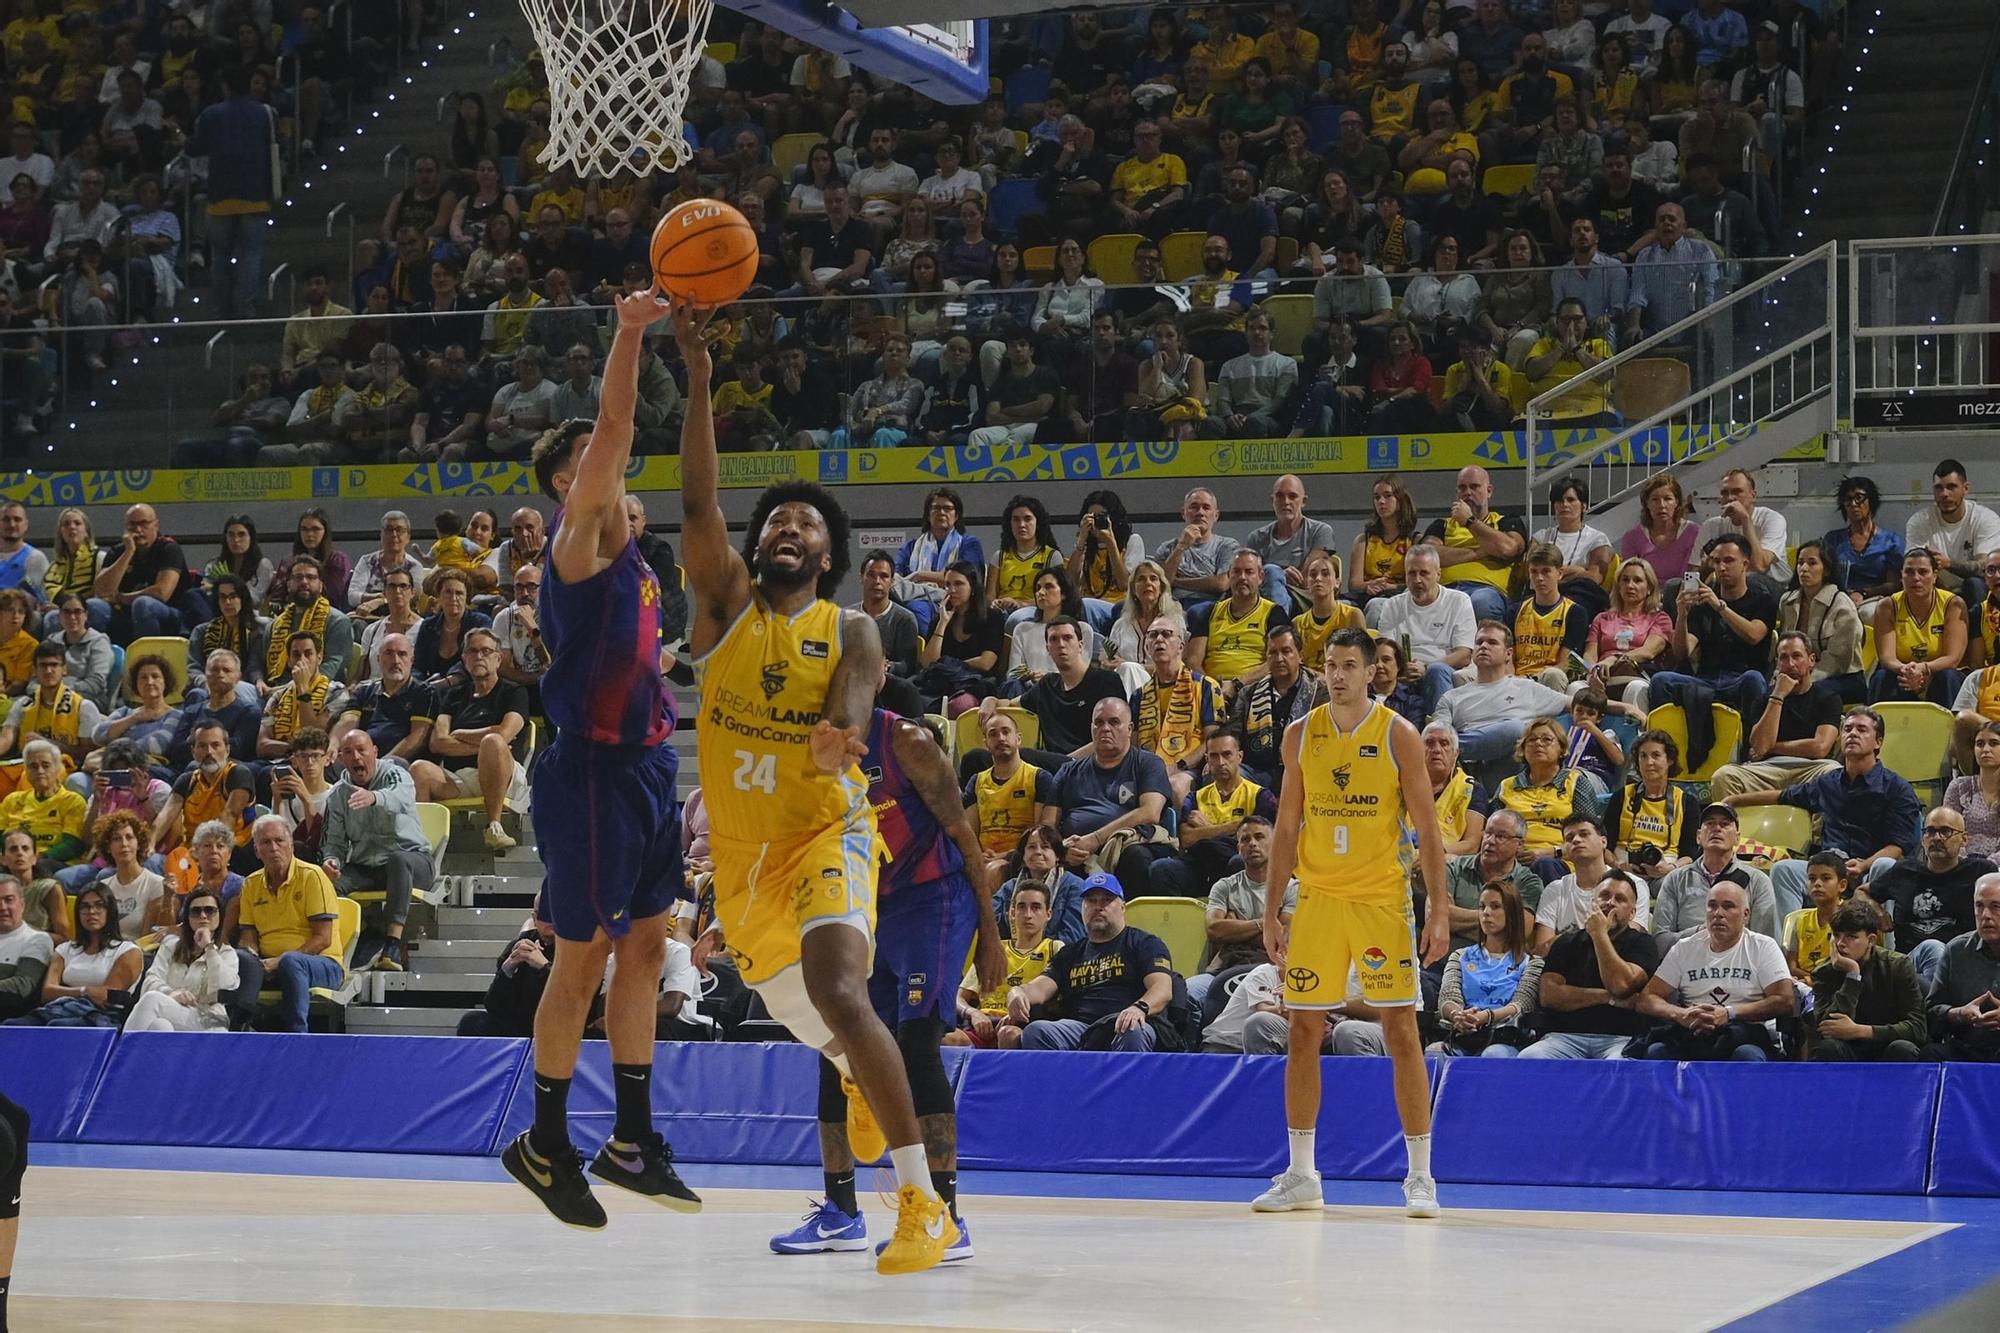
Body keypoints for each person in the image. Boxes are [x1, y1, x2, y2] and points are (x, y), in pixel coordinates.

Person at [676, 291, 956, 1273]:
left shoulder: (852, 627)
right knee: (821, 1031)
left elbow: (856, 698)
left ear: (829, 553)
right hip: (742, 867)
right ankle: (853, 1080)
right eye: (775, 520)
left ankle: (920, 1205)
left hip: (827, 833)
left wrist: (841, 736)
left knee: (842, 987)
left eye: (805, 522)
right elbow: (698, 505)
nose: (787, 527)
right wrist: (699, 374)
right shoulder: (721, 613)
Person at [498, 288, 700, 1231]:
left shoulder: (638, 560)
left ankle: (630, 1139)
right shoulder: (577, 541)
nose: (612, 463)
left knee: (648, 949)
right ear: (567, 483)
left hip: (650, 767)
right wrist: (629, 332)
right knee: (579, 961)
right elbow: (617, 423)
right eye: (590, 460)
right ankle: (543, 1142)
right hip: (589, 774)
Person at [771, 710, 1000, 1260]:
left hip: (935, 900)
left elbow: (964, 836)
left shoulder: (906, 742)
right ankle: (840, 1213)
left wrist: (991, 935)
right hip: (869, 904)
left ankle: (946, 1218)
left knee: (917, 1045)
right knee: (839, 1046)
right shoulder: (811, 746)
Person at [1253, 629, 1448, 1219]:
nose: (1338, 675)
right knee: (1302, 1031)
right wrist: (1271, 908)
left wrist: (1439, 909)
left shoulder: (1398, 734)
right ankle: (1302, 1173)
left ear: (1371, 672)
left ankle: (1420, 1176)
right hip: (1317, 899)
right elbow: (1287, 826)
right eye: (1331, 665)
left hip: (1381, 900)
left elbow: (1428, 829)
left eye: (1349, 665)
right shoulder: (1299, 734)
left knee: (1401, 1032)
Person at [1732, 707, 1921, 917]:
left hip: (1870, 872)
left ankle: (1884, 937)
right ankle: (1788, 938)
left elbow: (1898, 848)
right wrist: (1732, 801)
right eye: (1847, 729)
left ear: (1878, 742)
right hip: (1830, 870)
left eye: (1861, 729)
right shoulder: (1828, 782)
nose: (1852, 734)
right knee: (1784, 870)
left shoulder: (1896, 788)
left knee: (1885, 866)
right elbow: (1783, 796)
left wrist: (1863, 865)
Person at [1007, 870, 1175, 1053]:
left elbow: (1162, 989)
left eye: (1106, 900)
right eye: (1091, 901)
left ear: (1122, 907)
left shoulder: (1145, 943)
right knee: (1036, 1031)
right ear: (1082, 908)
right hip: (1082, 1029)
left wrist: (1139, 1008)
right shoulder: (1070, 953)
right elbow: (1040, 988)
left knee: (1132, 1029)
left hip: (1127, 1022)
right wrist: (1017, 992)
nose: (1098, 907)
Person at [1634, 879, 1794, 1061]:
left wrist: (1729, 1013)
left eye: (1728, 906)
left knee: (1747, 1055)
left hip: (1744, 1035)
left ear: (1746, 915)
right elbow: (1647, 999)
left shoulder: (1763, 947)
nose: (1718, 913)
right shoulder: (1684, 948)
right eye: (1712, 906)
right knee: (1656, 1052)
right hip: (1693, 1033)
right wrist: (1680, 1014)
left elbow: (1785, 1000)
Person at [322, 729, 434, 973]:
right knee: (323, 882)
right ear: (341, 758)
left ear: (374, 752)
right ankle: (332, 948)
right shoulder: (338, 794)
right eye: (348, 752)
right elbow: (334, 842)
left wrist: (374, 797)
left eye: (361, 750)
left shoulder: (396, 774)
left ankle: (392, 943)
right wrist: (331, 861)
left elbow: (401, 797)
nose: (356, 756)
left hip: (414, 862)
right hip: (367, 868)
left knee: (398, 860)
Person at [410, 629, 528, 850]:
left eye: (486, 651)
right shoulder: (453, 695)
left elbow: (504, 734)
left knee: (493, 742)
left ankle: (494, 827)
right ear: (464, 659)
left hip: (504, 776)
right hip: (459, 777)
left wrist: (461, 734)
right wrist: (483, 747)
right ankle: (421, 844)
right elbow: (437, 742)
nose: (479, 656)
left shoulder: (514, 692)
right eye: (472, 651)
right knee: (419, 769)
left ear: (498, 658)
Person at [1646, 534, 1776, 720]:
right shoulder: (1703, 604)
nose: (1721, 567)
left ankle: (1750, 738)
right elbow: (1683, 652)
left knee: (1753, 679)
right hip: (1706, 680)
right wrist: (1682, 615)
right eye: (1716, 561)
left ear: (1745, 564)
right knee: (1661, 680)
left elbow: (1754, 635)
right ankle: (1661, 738)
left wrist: (1720, 607)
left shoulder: (1762, 600)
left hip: (1741, 678)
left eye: (1729, 561)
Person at [237, 815, 343, 1034]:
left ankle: (297, 1036)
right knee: (237, 958)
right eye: (266, 842)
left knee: (291, 962)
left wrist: (278, 962)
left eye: (279, 841)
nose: (274, 848)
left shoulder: (313, 876)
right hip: (270, 962)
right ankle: (238, 1029)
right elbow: (248, 936)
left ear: (291, 845)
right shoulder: (250, 884)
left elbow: (323, 939)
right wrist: (252, 956)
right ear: (256, 851)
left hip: (323, 963)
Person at [1869, 806, 1994, 993]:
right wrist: (1877, 910)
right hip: (1909, 964)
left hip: (1963, 963)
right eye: (1930, 831)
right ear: (1922, 839)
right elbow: (1861, 893)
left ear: (1964, 839)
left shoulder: (1980, 872)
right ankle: (1938, 1006)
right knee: (1933, 948)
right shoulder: (1904, 871)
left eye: (1945, 831)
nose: (1936, 838)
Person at [1706, 631, 1842, 799]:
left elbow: (1820, 747)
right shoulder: (1764, 699)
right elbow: (1760, 746)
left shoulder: (1828, 698)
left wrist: (1773, 747)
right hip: (1768, 769)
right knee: (1724, 777)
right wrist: (1778, 696)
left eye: (1797, 656)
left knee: (1833, 773)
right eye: (1784, 658)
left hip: (1810, 769)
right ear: (1777, 663)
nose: (1790, 664)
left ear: (1811, 660)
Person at [1433, 621, 1572, 767]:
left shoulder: (1527, 688)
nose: (1484, 646)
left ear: (1508, 654)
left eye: (1492, 642)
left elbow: (1575, 703)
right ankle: (1455, 751)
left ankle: (1454, 749)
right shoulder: (1451, 697)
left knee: (1516, 730)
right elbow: (1436, 736)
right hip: (1468, 769)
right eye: (1479, 642)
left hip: (1515, 766)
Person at [4, 880, 138, 1027]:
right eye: (85, 907)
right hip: (59, 1009)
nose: (91, 912)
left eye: (99, 905)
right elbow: (47, 993)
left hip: (99, 1016)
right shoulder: (64, 949)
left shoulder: (128, 951)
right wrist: (85, 991)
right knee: (11, 1025)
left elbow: (105, 997)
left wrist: (68, 993)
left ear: (110, 911)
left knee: (58, 1025)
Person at [1808, 898, 1926, 1063]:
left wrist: (1861, 1031)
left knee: (1903, 1048)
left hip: (1886, 1047)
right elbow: (1828, 1029)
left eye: (1851, 936)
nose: (1840, 944)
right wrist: (1852, 976)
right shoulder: (1824, 972)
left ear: (1871, 940)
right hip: (1847, 1051)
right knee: (1828, 1048)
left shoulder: (1898, 965)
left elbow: (1918, 1028)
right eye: (1836, 935)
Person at [1432, 881, 1542, 1058]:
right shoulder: (1459, 956)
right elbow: (1448, 998)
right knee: (1433, 1053)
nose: (1486, 913)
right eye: (1482, 907)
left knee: (1494, 1054)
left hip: (1506, 1038)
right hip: (1463, 1035)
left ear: (1512, 913)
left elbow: (1521, 1005)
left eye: (1495, 906)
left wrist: (1486, 1017)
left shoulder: (1531, 963)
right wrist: (1458, 1015)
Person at [1365, 546, 1476, 718]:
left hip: (1441, 672)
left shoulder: (1459, 601)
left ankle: (1440, 727)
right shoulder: (1392, 605)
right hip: (1404, 674)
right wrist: (1403, 669)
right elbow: (1386, 651)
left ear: (1438, 574)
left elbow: (1464, 654)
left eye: (1424, 573)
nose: (1417, 580)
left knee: (1436, 671)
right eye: (1411, 573)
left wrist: (1426, 668)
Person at [948, 880, 1058, 1050]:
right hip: (982, 1026)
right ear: (1012, 913)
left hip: (1022, 1026)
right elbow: (958, 997)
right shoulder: (994, 950)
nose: (1028, 914)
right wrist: (973, 1013)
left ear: (1048, 914)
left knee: (1008, 1034)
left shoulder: (1055, 948)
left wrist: (1018, 1015)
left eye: (1036, 907)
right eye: (1021, 907)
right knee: (944, 1038)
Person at [1651, 804, 1779, 945]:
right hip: (1686, 957)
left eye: (1725, 824)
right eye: (1710, 823)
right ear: (1698, 836)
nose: (1717, 828)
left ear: (1737, 838)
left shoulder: (1758, 881)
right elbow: (1660, 941)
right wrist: (1702, 932)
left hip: (1739, 958)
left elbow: (1765, 943)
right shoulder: (1676, 879)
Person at [125, 884, 238, 1032]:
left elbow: (225, 987)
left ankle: (123, 1046)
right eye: (196, 911)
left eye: (209, 910)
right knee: (160, 1026)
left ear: (220, 916)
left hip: (208, 1020)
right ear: (187, 918)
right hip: (173, 1012)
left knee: (152, 1000)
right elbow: (150, 982)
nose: (203, 916)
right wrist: (171, 993)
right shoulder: (170, 945)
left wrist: (209, 947)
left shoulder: (227, 953)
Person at [1870, 549, 1966, 706]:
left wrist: (1923, 668)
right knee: (1881, 677)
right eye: (1909, 572)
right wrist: (1907, 671)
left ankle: (1952, 722)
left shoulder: (1953, 604)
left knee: (1948, 676)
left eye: (1923, 572)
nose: (1916, 578)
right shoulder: (1887, 606)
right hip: (1903, 675)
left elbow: (1952, 658)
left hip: (1938, 674)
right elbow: (1887, 658)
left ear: (1934, 576)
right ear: (1901, 576)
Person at [1921, 875, 2000, 1063]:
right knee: (1930, 1054)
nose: (1985, 915)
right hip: (1967, 1048)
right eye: (1979, 906)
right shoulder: (1956, 950)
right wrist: (1959, 1014)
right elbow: (1931, 1012)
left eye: (1996, 907)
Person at [1781, 539, 1866, 704]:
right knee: (1767, 692)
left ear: (1826, 569)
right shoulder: (1787, 601)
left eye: (1812, 563)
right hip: (1797, 673)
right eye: (1800, 563)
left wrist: (1805, 681)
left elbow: (1837, 660)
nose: (1804, 568)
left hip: (1843, 677)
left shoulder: (1842, 605)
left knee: (1806, 695)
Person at [1906, 459, 2000, 606]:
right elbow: (1913, 567)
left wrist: (1949, 564)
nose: (1944, 494)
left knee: (1974, 584)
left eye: (1951, 487)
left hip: (1974, 590)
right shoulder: (1919, 521)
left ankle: (1979, 621)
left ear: (1965, 489)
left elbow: (1985, 567)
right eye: (1939, 488)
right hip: (1936, 588)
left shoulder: (1985, 518)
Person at [1697, 468, 1790, 588]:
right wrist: (1707, 565)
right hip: (1729, 584)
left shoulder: (1772, 519)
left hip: (1773, 585)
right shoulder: (1711, 526)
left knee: (1749, 579)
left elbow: (1759, 566)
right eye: (1724, 493)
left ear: (1753, 496)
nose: (1730, 498)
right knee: (1680, 585)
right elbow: (1697, 575)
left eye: (1737, 492)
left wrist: (1745, 519)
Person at [1349, 477, 1418, 607]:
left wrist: (1391, 587)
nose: (1381, 501)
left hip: (1400, 598)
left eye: (1388, 496)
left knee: (1376, 605)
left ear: (1400, 500)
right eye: (1377, 497)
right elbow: (1354, 584)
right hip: (1368, 596)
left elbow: (1418, 581)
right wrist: (1368, 585)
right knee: (1342, 605)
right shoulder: (1363, 540)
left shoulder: (1415, 540)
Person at [1947, 720, 2000, 860]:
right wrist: (1964, 863)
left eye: (1994, 743)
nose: (1985, 749)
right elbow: (1947, 832)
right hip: (1961, 864)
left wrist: (1987, 865)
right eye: (1980, 744)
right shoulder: (1959, 787)